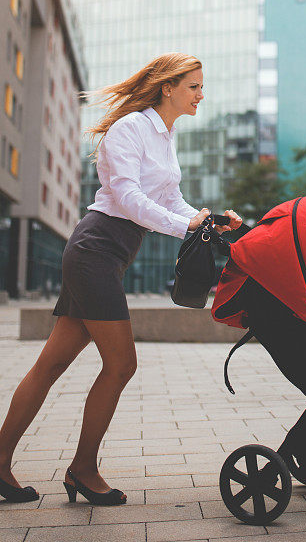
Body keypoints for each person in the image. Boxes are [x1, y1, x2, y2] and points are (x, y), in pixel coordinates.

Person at [0, 53, 242, 506]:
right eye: (194, 86)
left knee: (50, 365)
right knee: (121, 364)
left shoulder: (165, 136)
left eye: (201, 87)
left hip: (108, 254)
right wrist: (181, 226)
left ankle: (7, 465)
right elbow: (127, 196)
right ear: (168, 87)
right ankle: (82, 469)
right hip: (96, 249)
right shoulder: (129, 128)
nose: (201, 95)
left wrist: (206, 220)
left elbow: (170, 197)